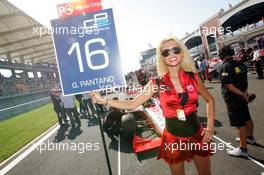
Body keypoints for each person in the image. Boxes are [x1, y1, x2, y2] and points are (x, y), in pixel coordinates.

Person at [90, 36, 215, 175]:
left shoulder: (193, 77)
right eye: (166, 52)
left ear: (181, 53)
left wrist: (210, 127)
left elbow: (210, 100)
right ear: (161, 58)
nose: (172, 54)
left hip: (197, 135)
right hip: (173, 139)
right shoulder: (156, 83)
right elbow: (132, 103)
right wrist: (104, 101)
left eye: (175, 49)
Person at [218, 45, 256, 157]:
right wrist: (245, 94)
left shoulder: (225, 66)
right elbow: (245, 82)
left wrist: (243, 95)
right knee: (247, 117)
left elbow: (229, 86)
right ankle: (250, 138)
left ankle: (243, 149)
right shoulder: (241, 64)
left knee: (240, 124)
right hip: (242, 96)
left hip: (233, 98)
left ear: (222, 55)